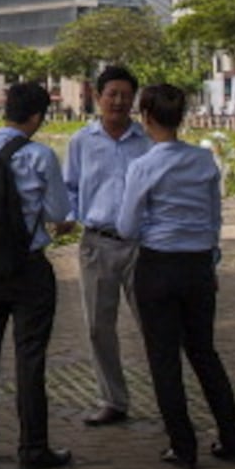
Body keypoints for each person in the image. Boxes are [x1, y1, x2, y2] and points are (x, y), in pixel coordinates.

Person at [114, 83, 235, 469]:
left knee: (164, 359)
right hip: (198, 267)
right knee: (204, 353)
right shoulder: (204, 161)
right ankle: (232, 439)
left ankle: (182, 446)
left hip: (158, 266)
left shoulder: (144, 166)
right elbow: (214, 219)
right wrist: (210, 262)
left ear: (146, 117)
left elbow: (125, 226)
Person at [0, 81, 74, 469]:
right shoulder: (40, 156)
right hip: (28, 268)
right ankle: (33, 448)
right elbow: (61, 213)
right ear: (39, 116)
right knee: (30, 358)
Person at [63, 65, 150, 427]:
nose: (118, 101)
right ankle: (113, 399)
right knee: (99, 326)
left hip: (141, 246)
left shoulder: (147, 142)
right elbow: (69, 187)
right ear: (97, 98)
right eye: (111, 94)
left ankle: (170, 398)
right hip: (97, 244)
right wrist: (66, 216)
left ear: (134, 100)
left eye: (125, 95)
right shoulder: (82, 141)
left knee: (154, 325)